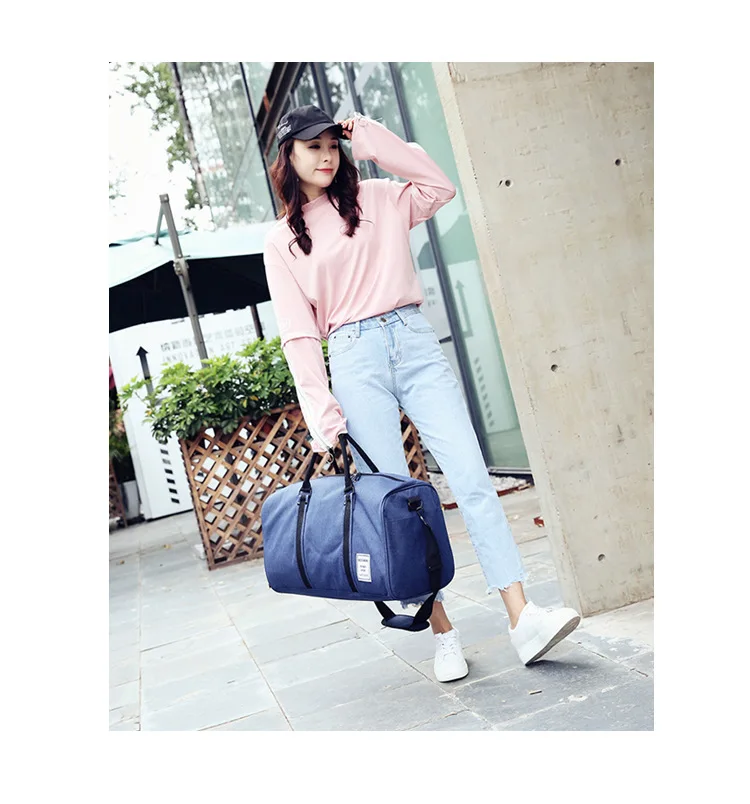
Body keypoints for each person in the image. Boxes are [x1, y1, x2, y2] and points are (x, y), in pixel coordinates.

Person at [262, 104, 581, 682]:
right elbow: (298, 334)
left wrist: (371, 135)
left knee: (472, 477)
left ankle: (522, 617)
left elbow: (439, 185)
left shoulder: (380, 198)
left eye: (332, 143)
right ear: (288, 156)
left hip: (413, 342)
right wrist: (322, 412)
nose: (327, 155)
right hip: (354, 359)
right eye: (312, 146)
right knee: (396, 506)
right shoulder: (282, 241)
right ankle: (441, 632)